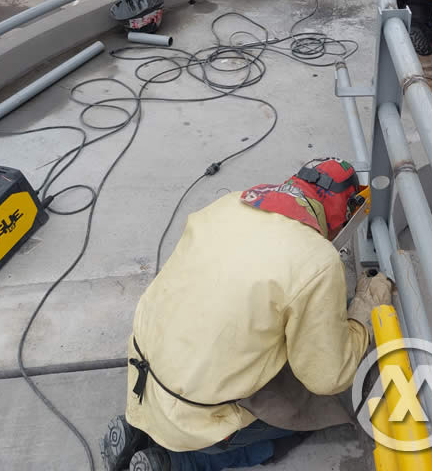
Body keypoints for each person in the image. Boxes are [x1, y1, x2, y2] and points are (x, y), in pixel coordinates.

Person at [100, 157, 393, 471]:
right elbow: (328, 377)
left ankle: (138, 431)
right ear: (340, 217)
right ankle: (174, 462)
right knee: (299, 421)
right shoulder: (316, 261)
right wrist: (364, 307)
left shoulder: (228, 204)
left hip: (145, 378)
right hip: (198, 412)